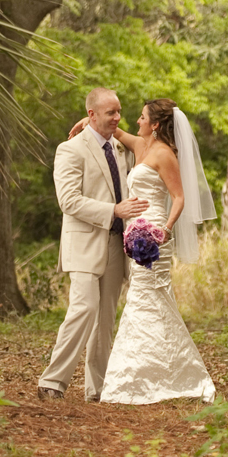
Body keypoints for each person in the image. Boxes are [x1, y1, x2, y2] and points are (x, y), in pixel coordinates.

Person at [70, 97, 216, 404]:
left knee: (146, 300)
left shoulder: (164, 154)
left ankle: (135, 378)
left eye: (142, 117)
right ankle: (153, 372)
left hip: (154, 234)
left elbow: (179, 198)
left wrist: (165, 229)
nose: (136, 121)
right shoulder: (141, 145)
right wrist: (86, 123)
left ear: (156, 124)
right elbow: (113, 130)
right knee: (147, 300)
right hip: (133, 231)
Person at [37, 87, 149, 402]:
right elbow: (68, 200)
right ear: (92, 115)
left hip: (117, 244)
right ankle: (52, 382)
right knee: (83, 308)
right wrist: (113, 210)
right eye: (110, 112)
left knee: (105, 318)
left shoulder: (120, 148)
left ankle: (97, 388)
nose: (117, 117)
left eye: (119, 111)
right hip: (84, 244)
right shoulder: (70, 149)